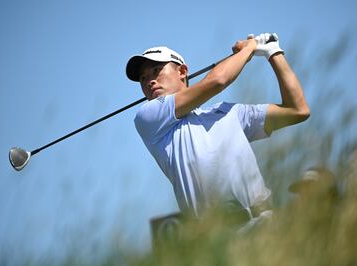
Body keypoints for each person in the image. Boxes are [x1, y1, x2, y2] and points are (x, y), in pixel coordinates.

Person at [126, 33, 310, 228]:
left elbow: (297, 110)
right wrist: (250, 48)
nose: (149, 81)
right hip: (215, 241)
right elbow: (218, 80)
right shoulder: (148, 117)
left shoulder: (229, 113)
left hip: (265, 226)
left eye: (156, 71)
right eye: (143, 78)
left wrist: (272, 52)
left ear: (182, 71)